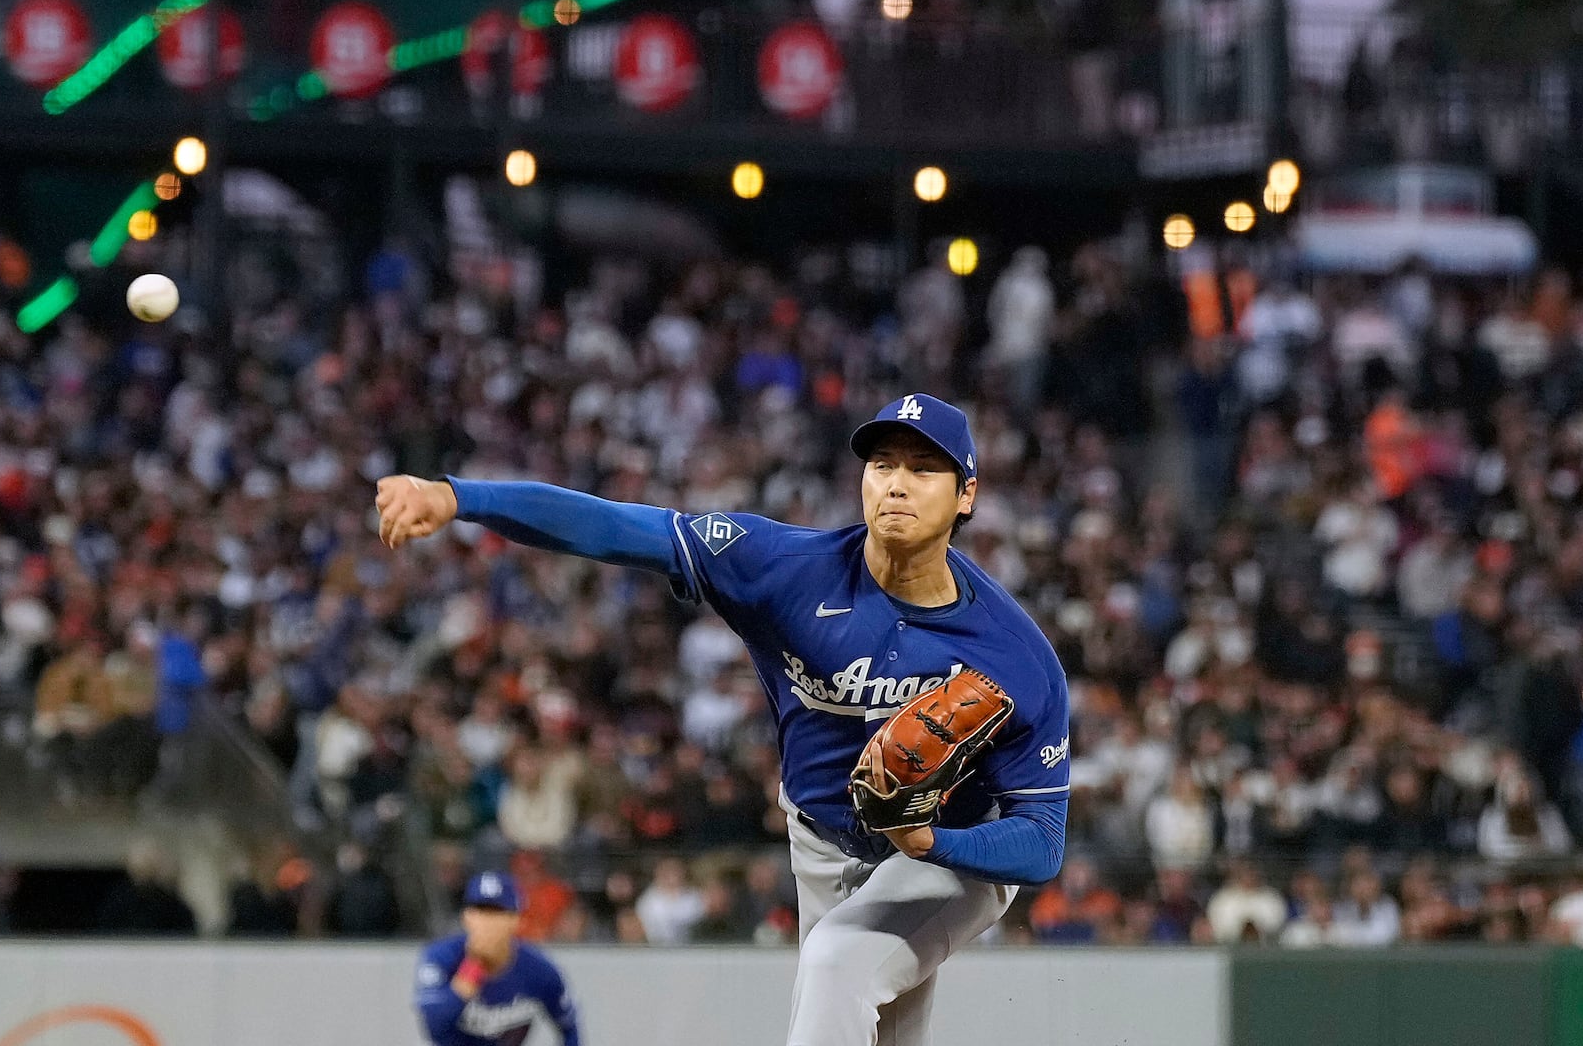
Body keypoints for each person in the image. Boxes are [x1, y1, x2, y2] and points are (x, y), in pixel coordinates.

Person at [378, 390, 1071, 1046]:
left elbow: (1041, 843)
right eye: (883, 463)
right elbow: (619, 526)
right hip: (821, 843)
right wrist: (458, 496)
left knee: (835, 964)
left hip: (951, 850)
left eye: (925, 469)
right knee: (875, 1021)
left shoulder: (1014, 655)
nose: (897, 482)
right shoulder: (783, 568)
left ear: (967, 496)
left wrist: (928, 842)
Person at [415, 867, 582, 1046]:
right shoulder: (442, 957)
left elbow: (569, 1027)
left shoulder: (539, 969)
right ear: (466, 917)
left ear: (516, 920)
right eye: (480, 910)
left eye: (497, 911)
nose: (487, 922)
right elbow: (435, 1027)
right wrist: (474, 966)